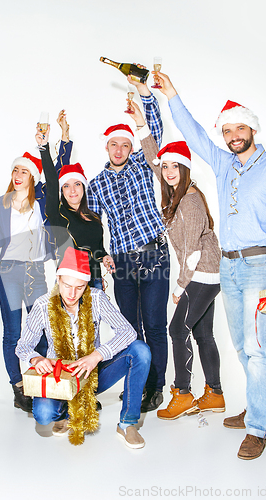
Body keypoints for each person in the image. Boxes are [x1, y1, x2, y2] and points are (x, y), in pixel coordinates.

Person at [153, 71, 266, 459]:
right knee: (242, 346)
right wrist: (172, 96)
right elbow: (195, 135)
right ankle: (260, 410)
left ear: (252, 128)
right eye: (228, 130)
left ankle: (257, 428)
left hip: (259, 265)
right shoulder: (223, 165)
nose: (233, 135)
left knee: (259, 347)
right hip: (229, 268)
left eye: (240, 128)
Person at [127, 101, 224, 418]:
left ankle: (182, 393)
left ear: (185, 169)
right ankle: (214, 394)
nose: (167, 172)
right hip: (205, 273)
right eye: (165, 167)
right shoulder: (175, 189)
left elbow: (194, 249)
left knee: (176, 330)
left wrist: (181, 286)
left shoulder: (191, 200)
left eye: (174, 167)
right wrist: (141, 124)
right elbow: (154, 161)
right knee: (203, 334)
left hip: (203, 273)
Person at [87, 73, 169, 412]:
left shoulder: (141, 164)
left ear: (130, 148)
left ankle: (156, 387)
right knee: (130, 328)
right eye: (114, 145)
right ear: (106, 148)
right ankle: (138, 383)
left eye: (125, 144)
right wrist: (101, 254)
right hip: (122, 263)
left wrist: (144, 96)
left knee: (154, 324)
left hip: (155, 256)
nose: (120, 149)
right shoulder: (96, 184)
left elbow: (156, 133)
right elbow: (90, 227)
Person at [16, 247, 151, 448]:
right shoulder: (42, 305)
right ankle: (64, 412)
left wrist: (97, 355)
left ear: (86, 284)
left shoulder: (96, 298)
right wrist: (37, 359)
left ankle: (127, 424)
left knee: (140, 351)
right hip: (60, 377)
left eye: (79, 287)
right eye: (67, 285)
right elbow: (23, 346)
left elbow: (128, 332)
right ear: (58, 279)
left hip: (92, 375)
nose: (72, 293)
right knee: (44, 415)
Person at [0, 134, 72, 412]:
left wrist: (59, 144)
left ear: (33, 177)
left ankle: (40, 384)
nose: (19, 175)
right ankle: (19, 389)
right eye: (16, 170)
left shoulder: (41, 199)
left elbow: (56, 175)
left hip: (35, 273)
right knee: (13, 333)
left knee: (42, 332)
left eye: (25, 171)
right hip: (8, 272)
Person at [37, 110, 115, 290]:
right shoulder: (57, 214)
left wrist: (105, 257)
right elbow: (50, 180)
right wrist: (44, 147)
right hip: (70, 284)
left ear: (83, 187)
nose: (72, 190)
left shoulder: (94, 217)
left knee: (92, 320)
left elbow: (97, 249)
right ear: (61, 190)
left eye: (77, 184)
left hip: (94, 282)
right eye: (66, 186)